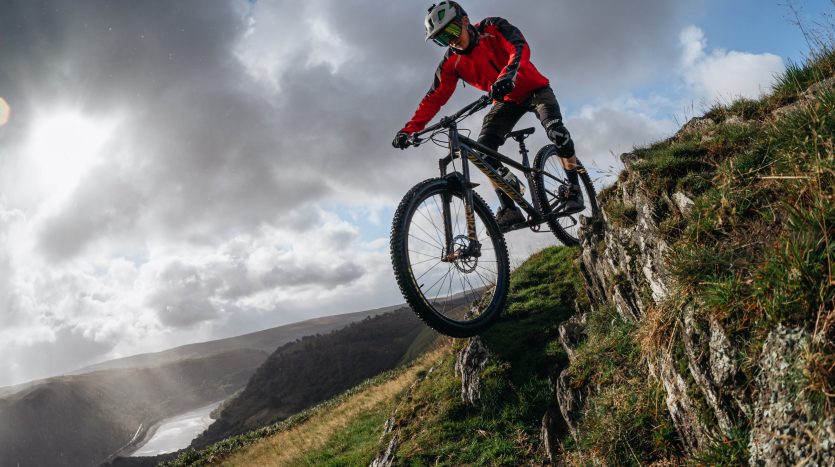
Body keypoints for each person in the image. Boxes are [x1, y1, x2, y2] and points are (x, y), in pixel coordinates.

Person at [392, 1, 584, 227]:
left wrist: (507, 75)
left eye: (452, 31)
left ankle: (574, 187)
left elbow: (519, 47)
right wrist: (409, 130)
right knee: (483, 152)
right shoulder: (451, 63)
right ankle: (509, 207)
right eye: (442, 39)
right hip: (505, 101)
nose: (451, 41)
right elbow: (434, 98)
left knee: (557, 132)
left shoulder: (492, 27)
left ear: (464, 21)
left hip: (534, 89)